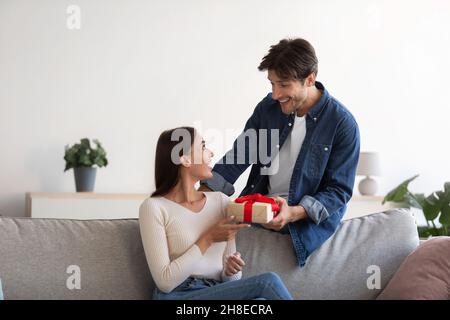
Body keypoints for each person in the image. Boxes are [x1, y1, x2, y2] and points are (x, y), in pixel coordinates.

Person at [199, 38, 360, 267]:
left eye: (283, 85)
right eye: (272, 84)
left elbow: (338, 191)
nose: (275, 94)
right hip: (261, 213)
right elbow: (240, 154)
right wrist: (200, 197)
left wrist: (293, 212)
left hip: (304, 225)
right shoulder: (268, 108)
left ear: (310, 78)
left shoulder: (342, 124)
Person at [139, 126, 293, 300]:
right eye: (203, 147)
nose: (211, 153)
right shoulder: (154, 207)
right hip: (177, 296)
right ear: (186, 159)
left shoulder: (221, 202)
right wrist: (208, 239)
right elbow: (165, 282)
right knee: (268, 282)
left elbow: (231, 280)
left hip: (216, 291)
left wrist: (230, 270)